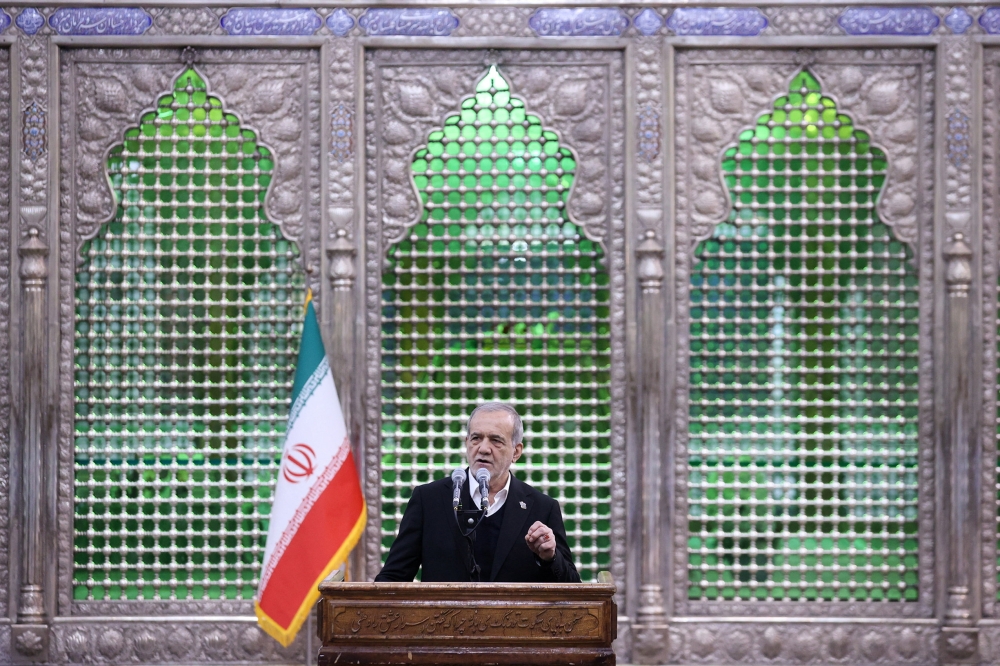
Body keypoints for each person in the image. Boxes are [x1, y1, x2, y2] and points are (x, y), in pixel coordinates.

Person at [375, 402, 581, 583]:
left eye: (496, 440)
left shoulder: (541, 508)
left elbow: (573, 589)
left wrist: (550, 557)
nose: (483, 448)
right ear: (466, 443)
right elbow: (392, 579)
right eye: (476, 438)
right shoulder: (429, 500)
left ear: (516, 452)